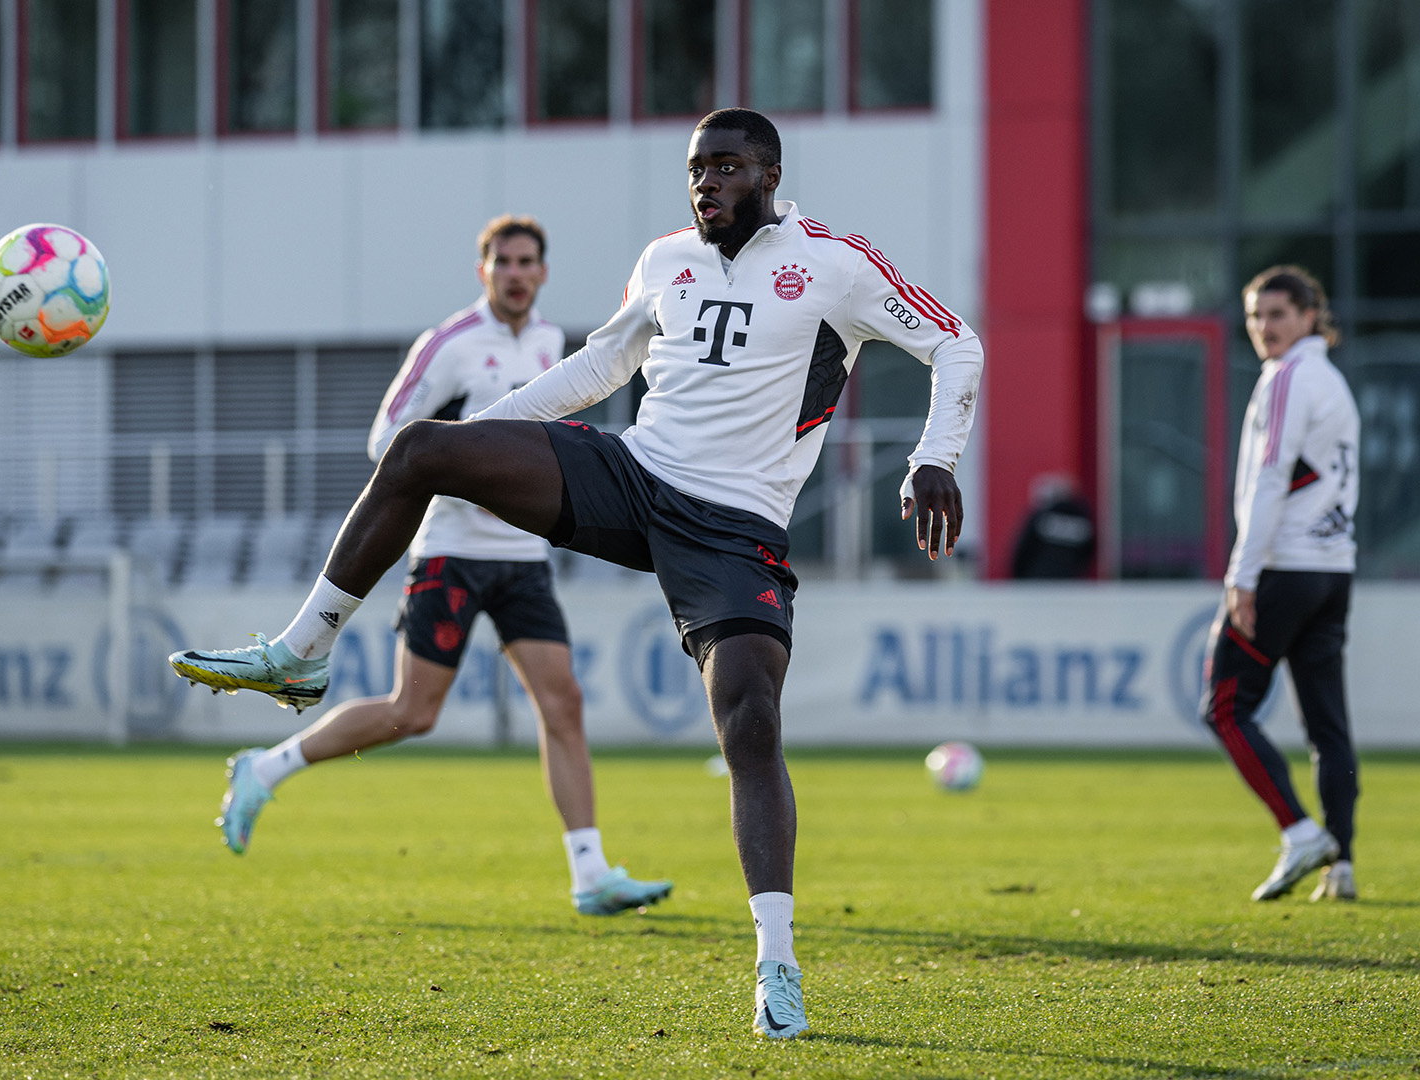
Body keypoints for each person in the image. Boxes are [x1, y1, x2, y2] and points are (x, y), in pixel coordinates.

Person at [170, 108, 983, 1039]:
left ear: (769, 172)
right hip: (634, 478)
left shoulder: (835, 262)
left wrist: (935, 457)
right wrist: (486, 443)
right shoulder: (666, 257)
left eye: (724, 168)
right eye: (694, 170)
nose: (704, 184)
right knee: (419, 449)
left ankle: (776, 964)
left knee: (751, 723)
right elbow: (605, 362)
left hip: (735, 529)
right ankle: (301, 650)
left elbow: (957, 339)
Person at [197, 216, 673, 919]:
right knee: (413, 713)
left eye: (526, 262)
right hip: (450, 553)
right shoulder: (449, 345)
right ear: (483, 270)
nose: (515, 272)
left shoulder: (549, 343)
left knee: (562, 703)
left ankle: (590, 870)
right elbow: (387, 442)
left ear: (542, 273)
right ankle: (265, 767)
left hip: (522, 556)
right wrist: (465, 456)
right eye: (503, 261)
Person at [1204, 265, 1361, 902]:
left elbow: (1271, 481)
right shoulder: (1332, 380)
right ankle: (1342, 862)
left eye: (1276, 314)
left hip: (1284, 568)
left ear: (1309, 316)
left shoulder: (1290, 375)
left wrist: (1241, 577)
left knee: (1224, 706)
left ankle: (1299, 832)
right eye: (1254, 316)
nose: (1263, 328)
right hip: (1333, 568)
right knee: (1327, 724)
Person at [1009, 473, 1095, 578]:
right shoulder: (1082, 520)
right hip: (1070, 582)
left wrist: (1018, 578)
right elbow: (1088, 553)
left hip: (1037, 580)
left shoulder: (1041, 517)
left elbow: (1023, 550)